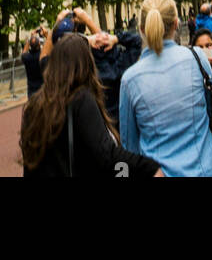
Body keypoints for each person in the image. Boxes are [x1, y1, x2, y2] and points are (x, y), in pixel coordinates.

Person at [21, 33, 161, 178]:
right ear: (86, 63)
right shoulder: (80, 100)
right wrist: (148, 167)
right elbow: (107, 155)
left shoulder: (34, 106)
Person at [119, 0, 212, 177]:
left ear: (141, 29)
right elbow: (211, 111)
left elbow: (130, 146)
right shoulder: (197, 58)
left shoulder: (130, 80)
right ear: (176, 24)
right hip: (207, 168)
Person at [21, 28, 45, 98]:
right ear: (39, 44)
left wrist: (31, 38)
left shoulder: (26, 58)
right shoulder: (42, 56)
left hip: (31, 90)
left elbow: (24, 51)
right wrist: (44, 36)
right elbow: (47, 48)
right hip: (42, 88)